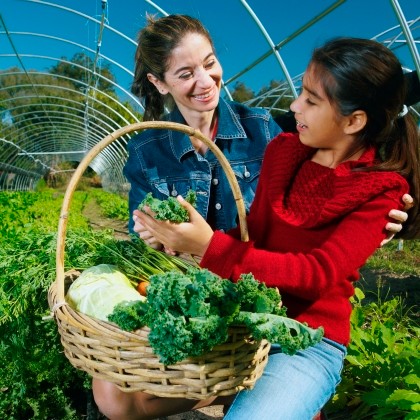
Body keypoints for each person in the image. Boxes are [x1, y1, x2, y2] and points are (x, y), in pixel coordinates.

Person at [94, 13, 414, 419]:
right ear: (160, 83)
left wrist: (386, 222)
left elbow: (324, 253)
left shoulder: (268, 132)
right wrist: (156, 235)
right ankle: (242, 390)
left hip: (298, 326)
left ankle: (273, 395)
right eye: (186, 73)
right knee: (115, 395)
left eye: (209, 64)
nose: (206, 81)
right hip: (219, 307)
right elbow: (253, 231)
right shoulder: (149, 150)